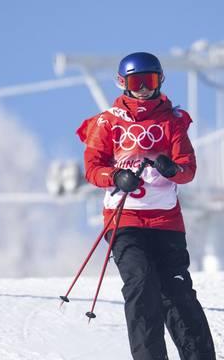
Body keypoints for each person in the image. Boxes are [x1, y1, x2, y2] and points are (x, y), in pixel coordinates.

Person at [76, 52, 216, 360]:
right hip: (124, 221)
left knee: (176, 291)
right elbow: (92, 168)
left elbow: (187, 168)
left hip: (166, 223)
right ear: (122, 83)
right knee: (141, 283)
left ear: (160, 81)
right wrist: (116, 176)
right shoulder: (107, 122)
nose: (142, 89)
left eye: (149, 81)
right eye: (136, 82)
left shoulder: (173, 121)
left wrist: (171, 169)